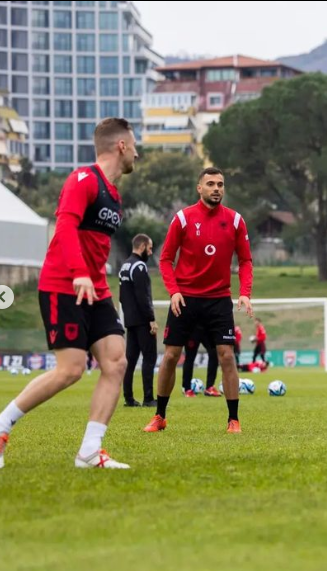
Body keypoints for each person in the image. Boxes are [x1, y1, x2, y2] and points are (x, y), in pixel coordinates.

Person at [0, 117, 137, 469]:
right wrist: (79, 274)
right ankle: (2, 426)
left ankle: (90, 451)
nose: (137, 152)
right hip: (64, 284)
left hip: (96, 290)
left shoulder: (114, 193)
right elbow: (64, 226)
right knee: (70, 370)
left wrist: (97, 279)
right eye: (134, 145)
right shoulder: (83, 179)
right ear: (121, 145)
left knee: (116, 362)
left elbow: (95, 244)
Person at [143, 167, 253, 434]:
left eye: (220, 184)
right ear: (199, 188)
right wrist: (174, 291)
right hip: (186, 300)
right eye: (211, 184)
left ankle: (233, 420)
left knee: (227, 356)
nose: (217, 188)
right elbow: (166, 259)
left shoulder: (236, 220)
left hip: (218, 300)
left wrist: (245, 292)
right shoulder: (183, 218)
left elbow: (246, 260)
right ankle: (160, 416)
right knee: (170, 357)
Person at [119, 233, 158, 407]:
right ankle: (148, 398)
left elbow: (122, 297)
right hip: (142, 320)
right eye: (149, 248)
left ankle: (128, 398)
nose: (150, 253)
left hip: (130, 320)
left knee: (131, 359)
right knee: (149, 357)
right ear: (142, 246)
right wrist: (151, 319)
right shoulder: (139, 267)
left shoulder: (124, 266)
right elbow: (143, 296)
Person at [181, 325, 220, 397]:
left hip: (207, 327)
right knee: (190, 357)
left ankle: (210, 387)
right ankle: (187, 389)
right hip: (193, 328)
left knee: (214, 353)